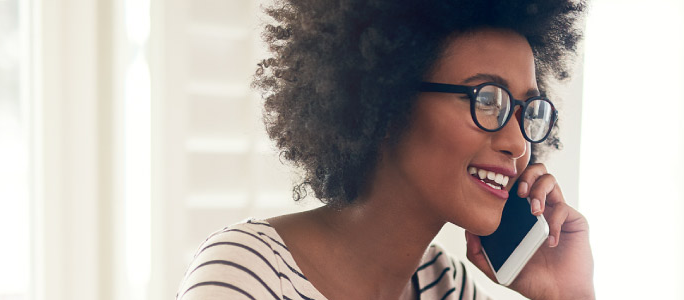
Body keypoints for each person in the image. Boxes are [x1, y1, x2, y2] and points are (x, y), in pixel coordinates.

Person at [175, 1, 593, 299]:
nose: (518, 144)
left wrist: (566, 296)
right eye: (487, 100)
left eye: (526, 111)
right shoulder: (246, 276)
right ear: (387, 99)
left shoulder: (446, 287)